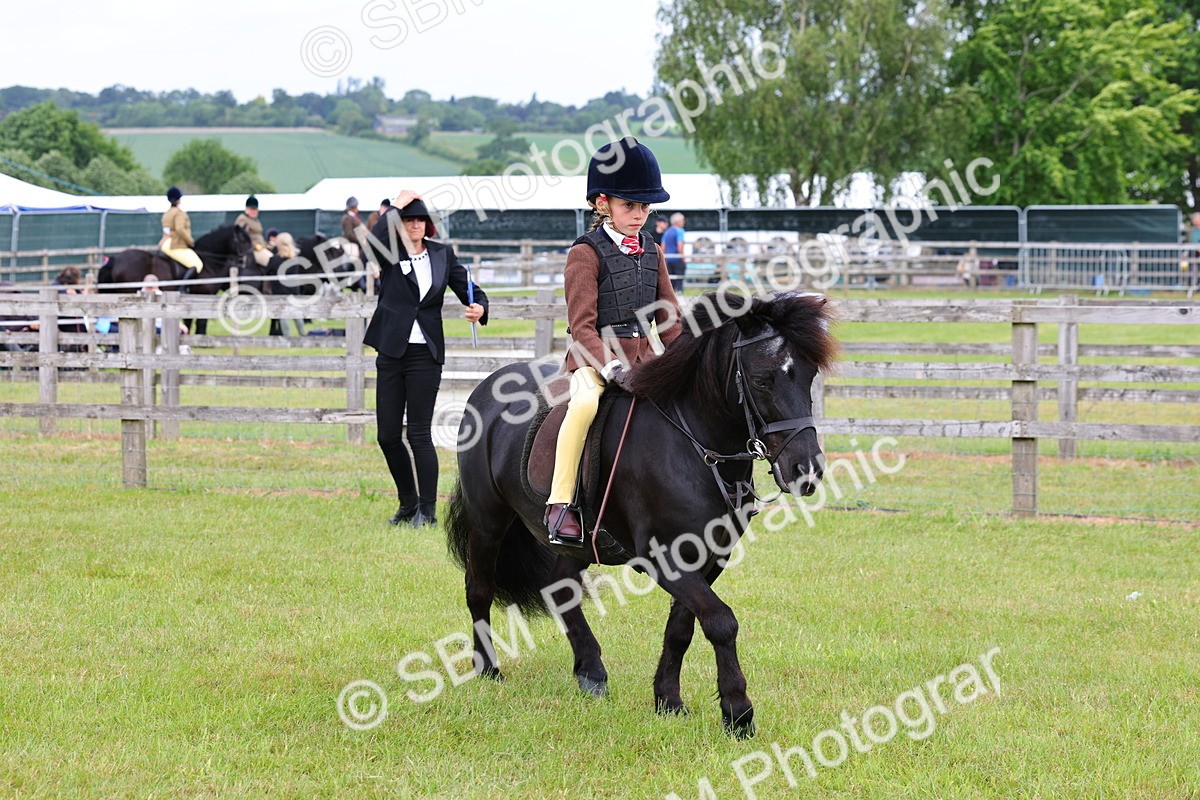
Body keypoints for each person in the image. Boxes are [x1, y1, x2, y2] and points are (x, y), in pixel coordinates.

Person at [545, 137, 683, 546]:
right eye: (630, 206)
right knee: (585, 405)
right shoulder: (585, 254)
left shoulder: (653, 251)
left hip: (643, 362)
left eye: (644, 207)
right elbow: (581, 326)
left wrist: (689, 355)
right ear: (602, 203)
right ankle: (560, 503)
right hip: (594, 361)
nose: (639, 215)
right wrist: (611, 366)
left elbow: (668, 318)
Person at [364, 191, 488, 528]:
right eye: (408, 220)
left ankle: (428, 511)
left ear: (427, 225)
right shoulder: (388, 254)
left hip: (425, 354)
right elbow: (372, 236)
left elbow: (471, 289)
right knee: (387, 435)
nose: (414, 225)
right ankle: (407, 505)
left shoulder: (442, 254)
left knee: (418, 433)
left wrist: (480, 308)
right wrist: (395, 206)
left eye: (419, 219)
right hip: (391, 351)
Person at [161, 186, 203, 280]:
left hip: (164, 244)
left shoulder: (166, 213)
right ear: (178, 199)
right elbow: (180, 229)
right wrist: (190, 241)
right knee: (197, 264)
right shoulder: (179, 213)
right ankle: (183, 287)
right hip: (176, 245)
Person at [234, 195, 271, 268]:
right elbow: (240, 237)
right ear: (247, 209)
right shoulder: (242, 219)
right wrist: (254, 245)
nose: (254, 211)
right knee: (271, 261)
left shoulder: (255, 220)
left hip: (262, 247)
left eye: (255, 209)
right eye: (252, 209)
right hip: (253, 251)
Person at [662, 211, 687, 294]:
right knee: (680, 279)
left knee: (671, 281)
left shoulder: (667, 231)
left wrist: (664, 259)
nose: (684, 222)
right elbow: (680, 246)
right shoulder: (680, 231)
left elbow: (663, 247)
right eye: (682, 220)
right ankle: (680, 297)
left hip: (668, 259)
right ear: (678, 221)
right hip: (677, 259)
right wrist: (683, 258)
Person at [341, 196, 366, 263]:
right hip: (352, 245)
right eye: (356, 207)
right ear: (352, 208)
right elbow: (349, 234)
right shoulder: (347, 218)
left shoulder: (354, 218)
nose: (357, 209)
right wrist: (361, 241)